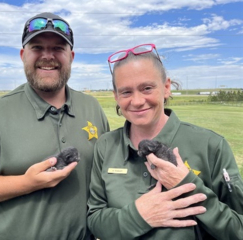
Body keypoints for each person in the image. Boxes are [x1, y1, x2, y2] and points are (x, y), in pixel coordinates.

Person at [0, 12, 109, 239]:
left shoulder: (91, 107)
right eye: (37, 48)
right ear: (23, 55)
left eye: (58, 49)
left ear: (71, 56)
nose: (48, 56)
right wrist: (26, 183)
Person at [87, 43, 243, 239]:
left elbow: (238, 229)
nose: (136, 101)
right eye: (126, 92)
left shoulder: (211, 145)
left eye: (147, 88)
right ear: (116, 96)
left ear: (166, 87)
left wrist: (186, 185)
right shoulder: (106, 145)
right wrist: (138, 216)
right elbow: (95, 220)